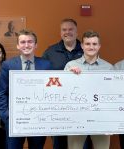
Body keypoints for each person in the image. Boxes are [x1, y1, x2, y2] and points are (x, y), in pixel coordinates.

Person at [0, 29, 51, 149]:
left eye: (30, 42)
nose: (26, 45)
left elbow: (51, 93)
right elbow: (1, 93)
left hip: (39, 121)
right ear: (18, 45)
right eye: (23, 42)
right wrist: (7, 116)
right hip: (15, 120)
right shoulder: (8, 65)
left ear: (36, 45)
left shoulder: (46, 65)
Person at [42, 18, 90, 149]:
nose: (67, 32)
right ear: (60, 32)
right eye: (64, 29)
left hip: (81, 106)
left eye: (71, 29)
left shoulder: (87, 49)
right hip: (58, 107)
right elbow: (43, 78)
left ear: (77, 32)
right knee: (59, 143)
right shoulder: (50, 52)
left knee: (82, 144)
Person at [64, 30, 113, 149]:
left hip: (101, 119)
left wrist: (113, 122)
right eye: (88, 44)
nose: (91, 47)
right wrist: (69, 77)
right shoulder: (71, 66)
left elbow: (112, 96)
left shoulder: (109, 68)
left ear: (99, 46)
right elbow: (63, 93)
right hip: (76, 118)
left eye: (94, 44)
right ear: (82, 45)